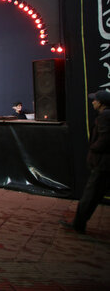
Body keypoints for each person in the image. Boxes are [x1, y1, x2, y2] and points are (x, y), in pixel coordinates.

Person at [60, 90, 110, 234]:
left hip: (103, 163)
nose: (93, 102)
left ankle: (78, 224)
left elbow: (105, 139)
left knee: (90, 195)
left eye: (95, 100)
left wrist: (93, 148)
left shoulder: (105, 116)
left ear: (100, 103)